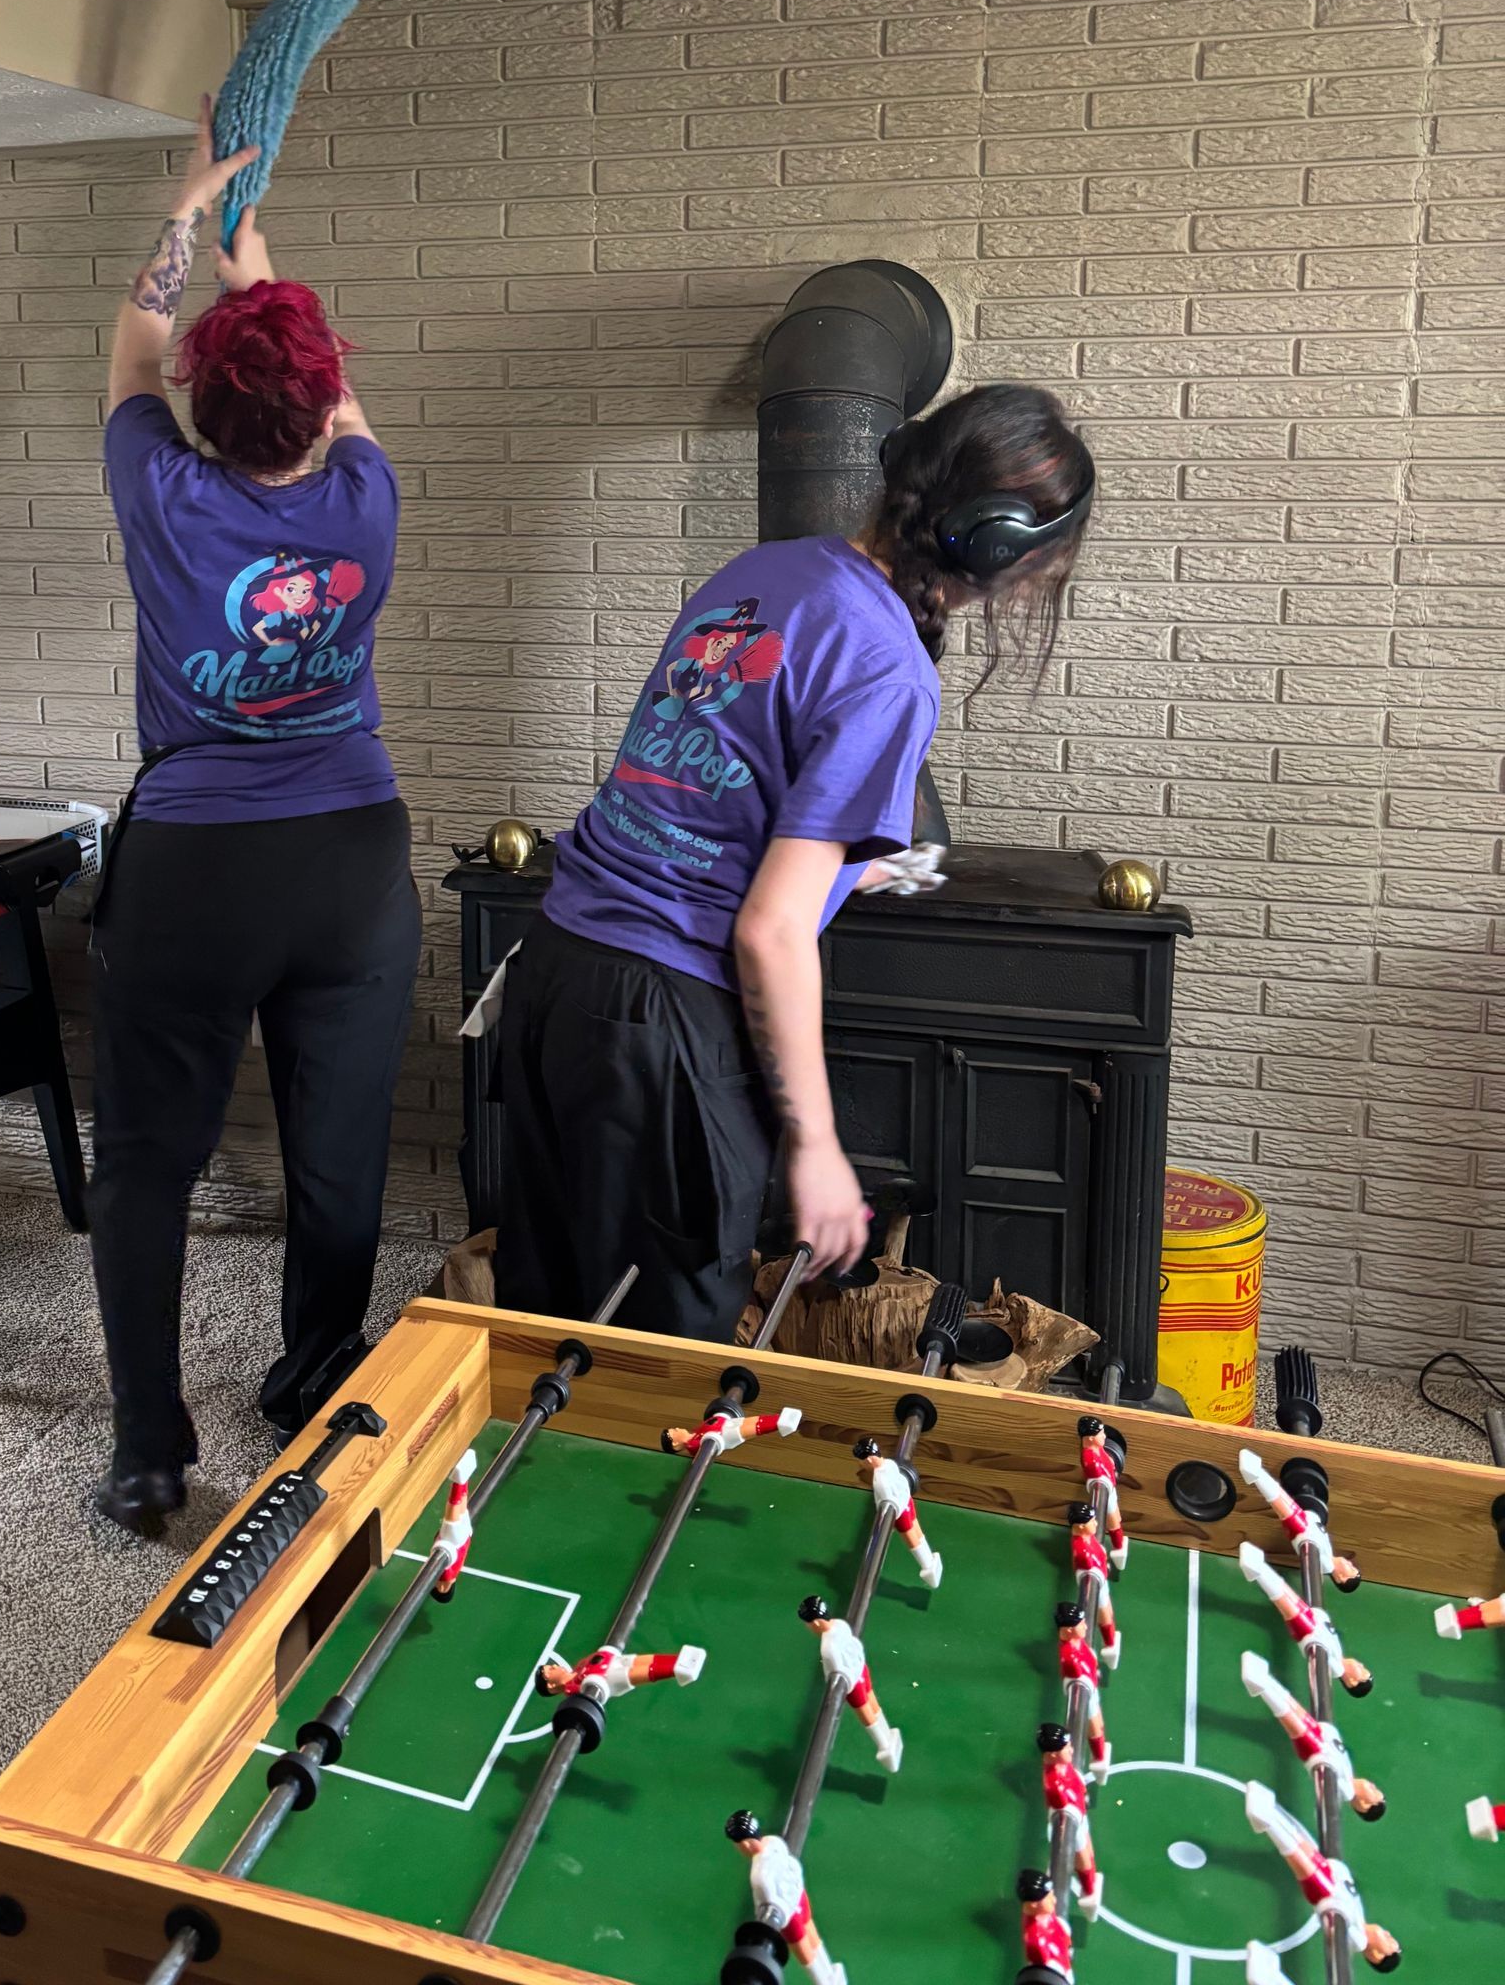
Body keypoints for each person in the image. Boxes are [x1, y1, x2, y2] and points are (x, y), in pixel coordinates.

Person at [494, 383, 1093, 1340]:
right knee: (661, 1350)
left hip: (557, 971)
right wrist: (816, 1148)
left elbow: (713, 789)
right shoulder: (888, 668)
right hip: (663, 1025)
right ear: (998, 546)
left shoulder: (767, 570)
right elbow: (768, 928)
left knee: (548, 1315)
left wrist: (859, 869)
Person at [87, 105, 421, 1532]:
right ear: (324, 397)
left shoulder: (160, 487)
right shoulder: (366, 493)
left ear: (197, 413)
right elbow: (322, 390)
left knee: (151, 1155)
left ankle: (151, 1451)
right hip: (353, 857)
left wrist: (187, 217)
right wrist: (263, 277)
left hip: (197, 869)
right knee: (338, 1147)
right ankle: (311, 1372)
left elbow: (129, 341)